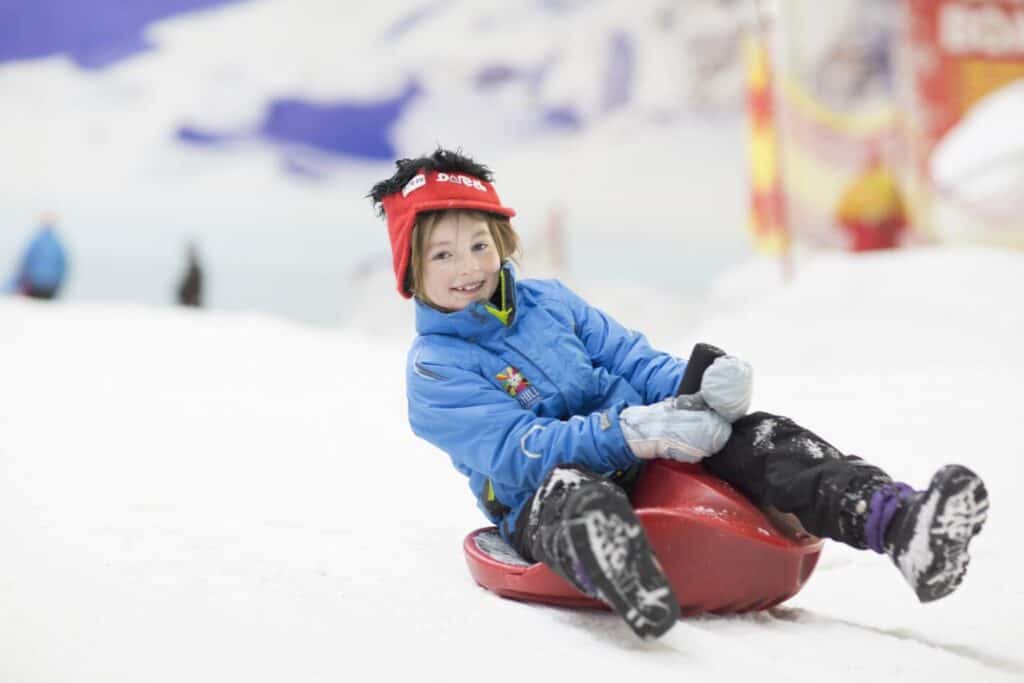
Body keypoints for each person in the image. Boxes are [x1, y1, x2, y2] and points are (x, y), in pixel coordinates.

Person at [367, 148, 989, 640]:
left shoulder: (550, 302)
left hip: (646, 448)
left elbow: (630, 357)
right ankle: (623, 570)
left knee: (764, 439)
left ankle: (901, 525)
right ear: (411, 273)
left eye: (479, 244)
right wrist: (633, 430)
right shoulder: (435, 369)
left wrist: (699, 385)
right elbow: (516, 451)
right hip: (541, 492)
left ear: (502, 244)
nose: (467, 266)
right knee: (569, 495)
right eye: (442, 255)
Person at [7, 215, 69, 300]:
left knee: (35, 308)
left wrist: (20, 280)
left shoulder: (36, 241)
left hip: (35, 283)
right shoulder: (58, 244)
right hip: (51, 285)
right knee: (46, 308)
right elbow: (63, 265)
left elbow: (26, 262)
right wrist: (58, 282)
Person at [176, 242, 204, 307]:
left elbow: (197, 287)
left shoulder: (195, 270)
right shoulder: (191, 269)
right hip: (187, 302)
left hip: (191, 302)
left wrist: (193, 298)